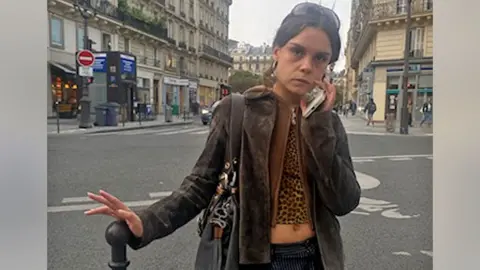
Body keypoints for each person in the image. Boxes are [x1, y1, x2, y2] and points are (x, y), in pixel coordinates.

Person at [85, 3, 360, 270]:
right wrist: (147, 222)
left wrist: (319, 125)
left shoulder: (327, 123)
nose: (306, 65)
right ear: (277, 52)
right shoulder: (238, 110)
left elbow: (344, 201)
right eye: (297, 51)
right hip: (252, 260)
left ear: (328, 66)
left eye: (320, 58)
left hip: (318, 259)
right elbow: (200, 184)